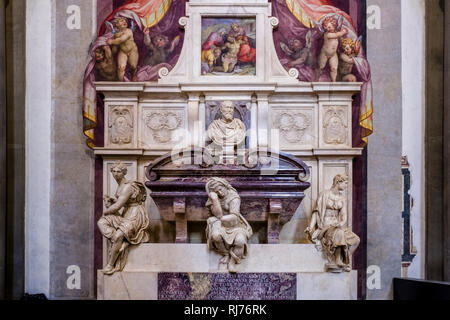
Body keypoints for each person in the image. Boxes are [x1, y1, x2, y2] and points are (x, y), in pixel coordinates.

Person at [97, 161, 150, 275]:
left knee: (117, 234)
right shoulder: (120, 185)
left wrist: (105, 211)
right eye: (114, 171)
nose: (116, 174)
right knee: (102, 222)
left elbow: (117, 206)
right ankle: (119, 242)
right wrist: (112, 201)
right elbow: (123, 202)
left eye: (119, 171)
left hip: (135, 215)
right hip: (127, 213)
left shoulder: (128, 186)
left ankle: (110, 265)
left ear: (124, 173)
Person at [305, 174, 360, 272]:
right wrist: (310, 227)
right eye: (345, 183)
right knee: (339, 233)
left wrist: (340, 223)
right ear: (338, 182)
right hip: (324, 227)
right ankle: (337, 260)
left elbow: (344, 217)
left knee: (356, 240)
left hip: (337, 226)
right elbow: (316, 212)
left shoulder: (342, 199)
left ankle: (343, 260)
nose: (346, 186)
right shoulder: (324, 195)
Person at [205, 177, 253, 273]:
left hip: (235, 225)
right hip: (220, 223)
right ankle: (226, 254)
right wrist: (214, 199)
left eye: (221, 189)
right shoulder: (214, 198)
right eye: (217, 191)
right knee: (216, 236)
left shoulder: (233, 197)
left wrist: (221, 219)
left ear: (225, 186)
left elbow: (234, 217)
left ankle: (232, 261)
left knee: (240, 240)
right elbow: (218, 214)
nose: (220, 193)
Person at [317, 16, 348, 82]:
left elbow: (339, 38)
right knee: (320, 67)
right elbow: (336, 35)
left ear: (334, 26)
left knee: (334, 68)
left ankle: (334, 81)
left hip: (333, 54)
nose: (327, 29)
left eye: (329, 27)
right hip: (325, 53)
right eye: (326, 27)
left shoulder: (335, 32)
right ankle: (316, 79)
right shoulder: (327, 34)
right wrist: (343, 32)